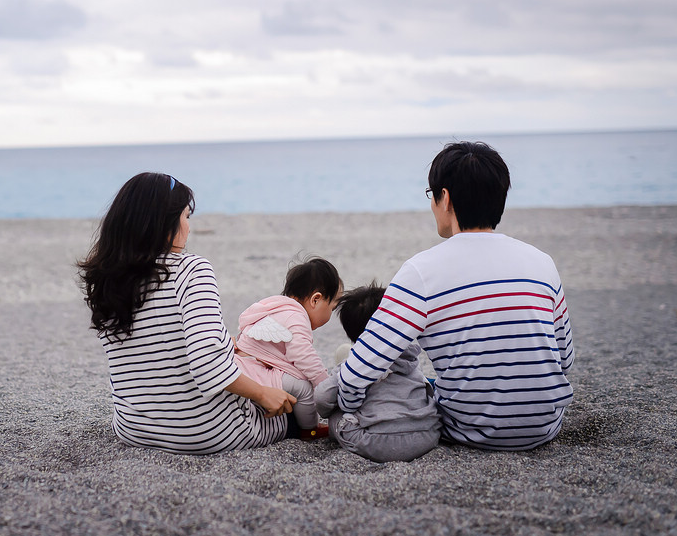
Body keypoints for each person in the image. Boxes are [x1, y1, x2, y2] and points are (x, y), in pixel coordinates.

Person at [337, 141, 574, 450]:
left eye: (431, 196)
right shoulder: (543, 262)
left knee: (404, 387)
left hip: (469, 431)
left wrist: (347, 405)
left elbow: (358, 372)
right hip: (544, 427)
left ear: (445, 198)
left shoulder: (421, 271)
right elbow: (565, 359)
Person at [77, 172, 296, 454]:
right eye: (186, 216)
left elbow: (150, 344)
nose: (189, 228)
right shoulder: (192, 270)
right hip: (205, 432)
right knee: (290, 406)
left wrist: (222, 342)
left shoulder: (107, 280)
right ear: (165, 224)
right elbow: (208, 366)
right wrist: (263, 393)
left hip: (134, 428)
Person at [315, 283, 442, 462]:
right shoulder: (409, 359)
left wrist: (332, 410)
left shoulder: (355, 364)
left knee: (337, 418)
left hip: (377, 442)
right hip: (426, 436)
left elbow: (321, 397)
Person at [233, 258, 342, 438]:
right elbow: (301, 355)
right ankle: (310, 429)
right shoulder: (296, 316)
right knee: (304, 388)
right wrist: (323, 382)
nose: (331, 314)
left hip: (243, 363)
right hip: (254, 369)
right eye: (332, 307)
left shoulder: (275, 307)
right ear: (316, 300)